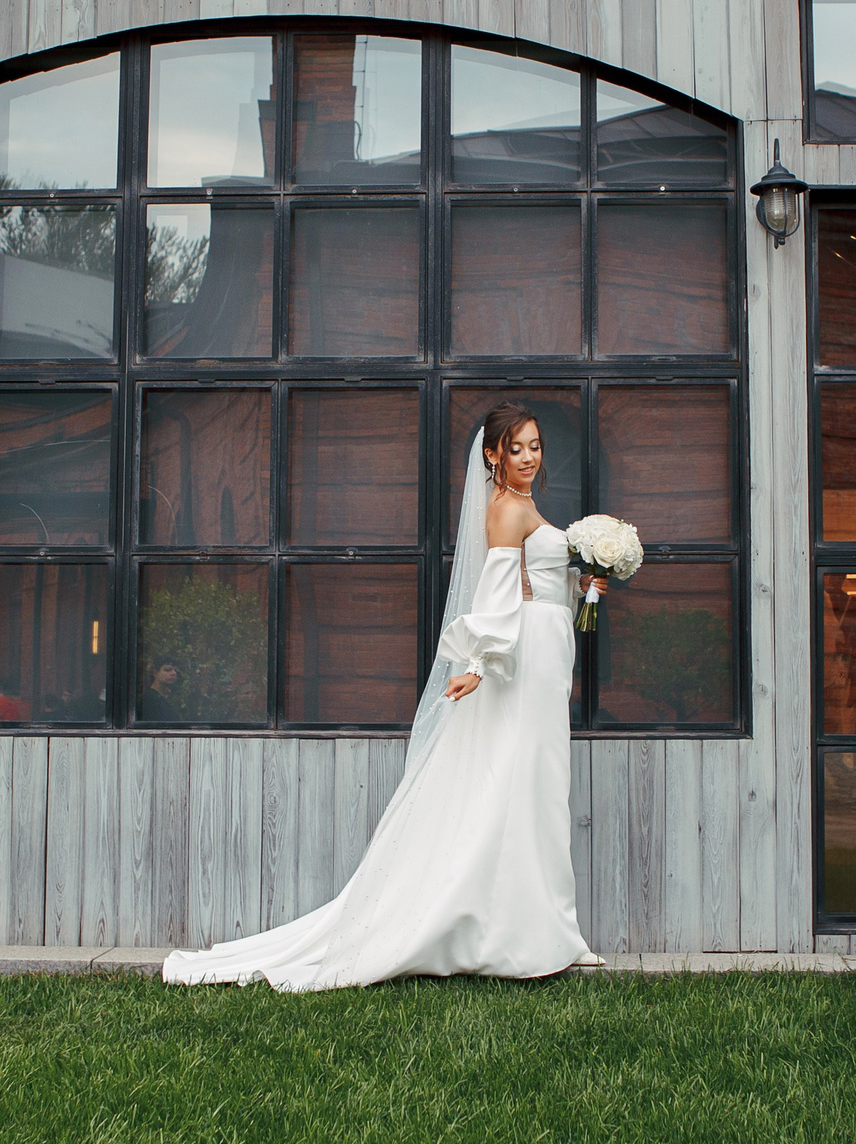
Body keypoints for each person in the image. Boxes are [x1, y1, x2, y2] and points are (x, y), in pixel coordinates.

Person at [163, 403, 605, 991]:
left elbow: (535, 582)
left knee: (541, 788)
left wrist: (584, 582)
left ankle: (550, 930)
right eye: (517, 447)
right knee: (522, 786)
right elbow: (497, 592)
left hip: (547, 656)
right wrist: (476, 664)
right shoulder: (505, 510)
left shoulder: (525, 506)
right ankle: (518, 935)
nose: (529, 457)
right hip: (520, 665)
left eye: (536, 446)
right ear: (492, 454)